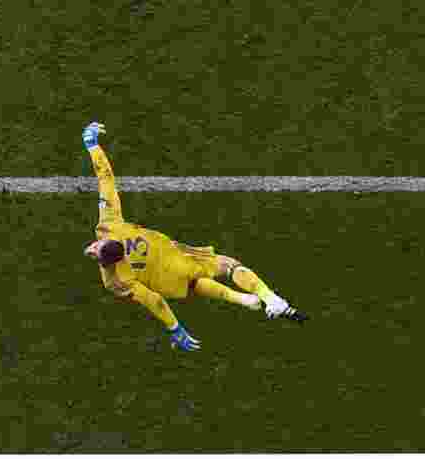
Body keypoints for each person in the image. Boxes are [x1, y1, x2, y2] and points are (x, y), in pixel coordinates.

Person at [81, 121, 307, 351]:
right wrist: (92, 145)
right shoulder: (110, 224)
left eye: (95, 249)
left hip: (168, 282)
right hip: (177, 256)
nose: (91, 248)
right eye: (95, 251)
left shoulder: (114, 281)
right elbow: (106, 179)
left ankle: (243, 300)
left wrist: (175, 328)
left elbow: (154, 300)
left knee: (194, 284)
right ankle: (269, 298)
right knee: (228, 266)